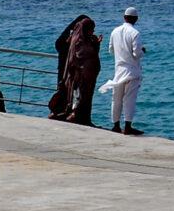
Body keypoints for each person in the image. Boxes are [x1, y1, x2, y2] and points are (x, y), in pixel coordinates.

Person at [105, 7, 145, 135]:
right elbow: (137, 54)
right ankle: (128, 126)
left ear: (124, 17)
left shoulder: (115, 31)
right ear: (136, 19)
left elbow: (111, 50)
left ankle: (116, 125)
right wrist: (143, 50)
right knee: (129, 99)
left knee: (116, 99)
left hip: (119, 71)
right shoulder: (135, 33)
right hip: (132, 72)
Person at [62, 16, 101, 125]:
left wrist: (95, 43)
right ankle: (77, 116)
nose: (93, 31)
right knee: (80, 97)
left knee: (81, 97)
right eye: (91, 29)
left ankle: (83, 118)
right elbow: (84, 55)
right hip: (81, 75)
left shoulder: (78, 38)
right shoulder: (80, 41)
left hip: (82, 75)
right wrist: (95, 45)